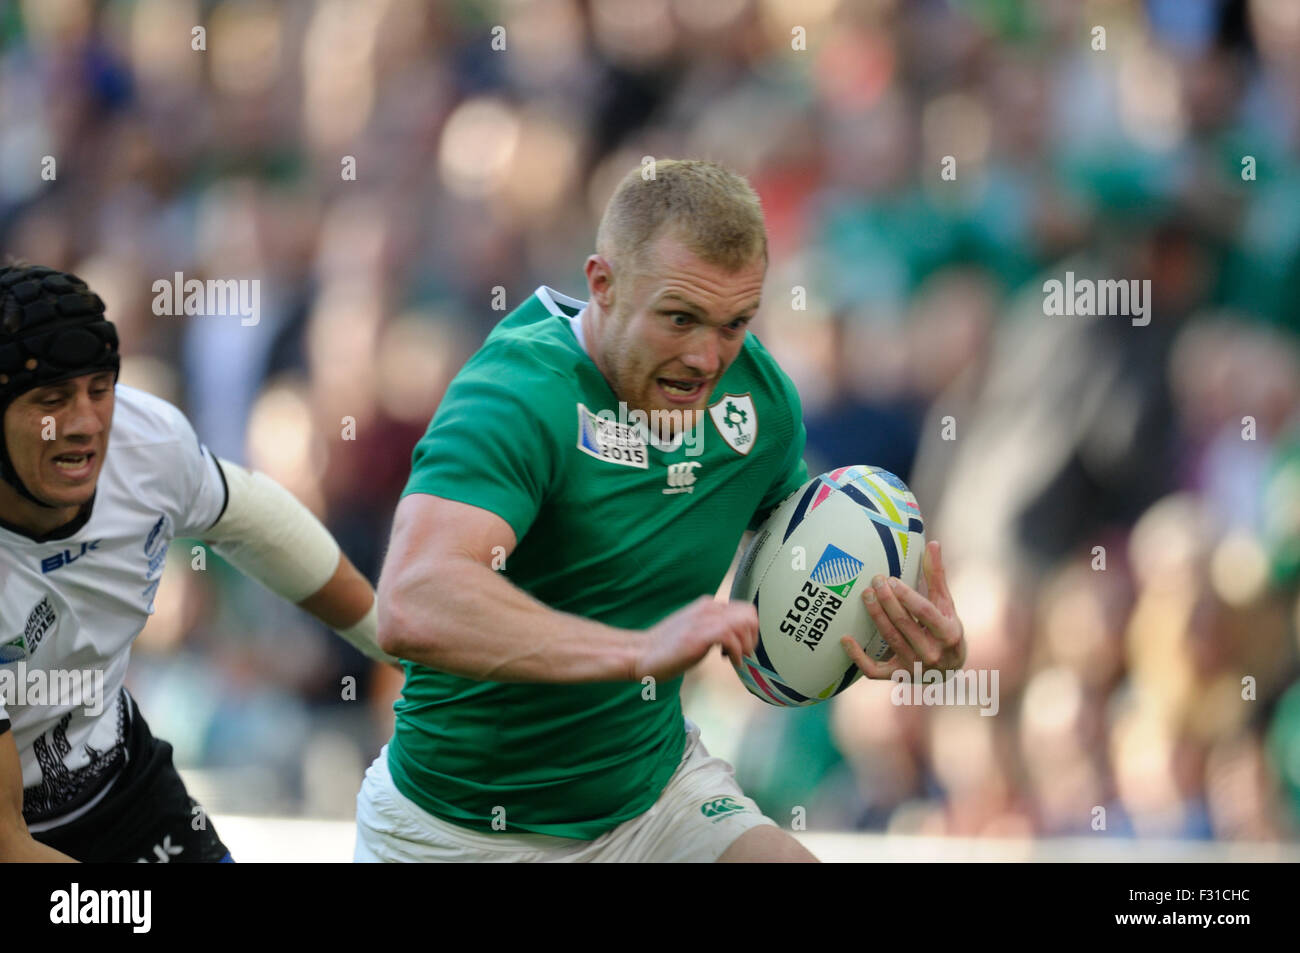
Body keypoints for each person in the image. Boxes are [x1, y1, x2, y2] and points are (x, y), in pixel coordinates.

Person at [357, 159, 966, 863]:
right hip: (460, 829)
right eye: (680, 318)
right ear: (603, 285)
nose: (708, 357)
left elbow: (806, 556)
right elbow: (412, 600)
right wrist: (635, 652)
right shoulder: (517, 394)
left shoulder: (761, 403)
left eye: (736, 322)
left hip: (653, 795)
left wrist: (907, 631)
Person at [0, 264, 393, 863]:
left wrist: (399, 648)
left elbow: (256, 521)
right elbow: (7, 842)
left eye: (99, 389)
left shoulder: (145, 440)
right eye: (52, 401)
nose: (85, 424)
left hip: (120, 781)